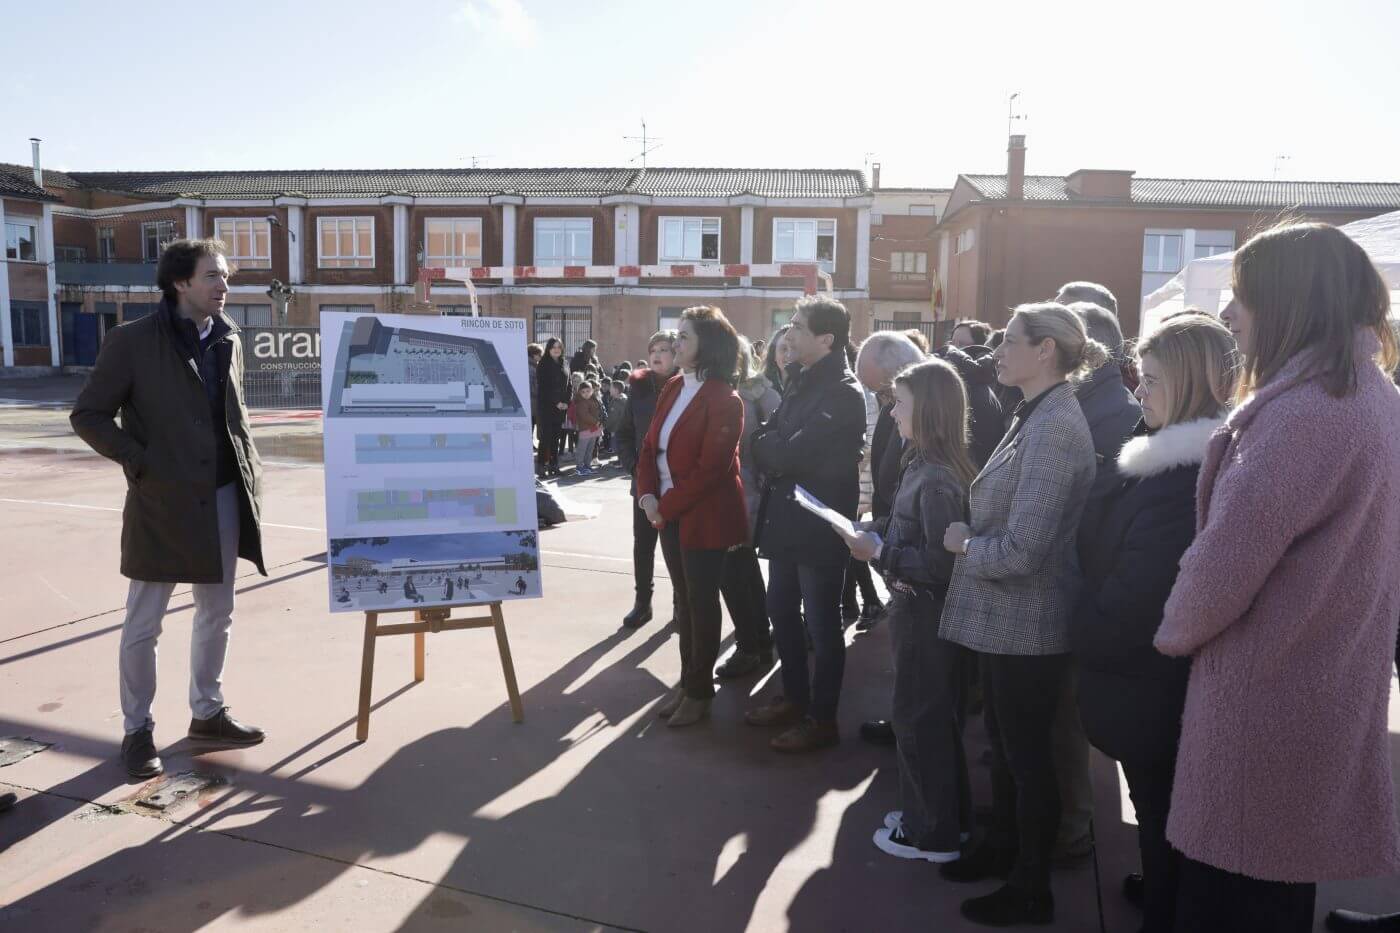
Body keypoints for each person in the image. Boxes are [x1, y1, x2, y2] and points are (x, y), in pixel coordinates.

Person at [1152, 223, 1400, 933]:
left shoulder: (1301, 414)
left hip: (1267, 690)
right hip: (1323, 675)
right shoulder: (1369, 395)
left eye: (1242, 297)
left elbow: (1224, 564)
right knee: (1278, 877)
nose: (1229, 315)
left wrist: (1173, 629)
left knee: (1234, 889)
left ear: (1289, 301)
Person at [71, 238, 268, 779]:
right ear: (181, 283)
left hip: (224, 495)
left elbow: (234, 414)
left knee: (217, 612)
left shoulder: (228, 337)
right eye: (213, 276)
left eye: (225, 276)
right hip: (161, 502)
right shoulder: (131, 341)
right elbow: (88, 415)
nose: (223, 286)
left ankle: (207, 712)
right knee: (144, 622)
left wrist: (248, 475)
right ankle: (138, 731)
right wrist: (141, 464)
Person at [936, 302, 1102, 926]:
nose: (997, 351)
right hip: (1005, 619)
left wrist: (964, 545)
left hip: (1028, 622)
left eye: (1010, 340)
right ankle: (1003, 849)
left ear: (1047, 352)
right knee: (1007, 749)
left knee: (1027, 758)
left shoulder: (1055, 425)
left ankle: (1031, 887)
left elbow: (1027, 548)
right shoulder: (1035, 411)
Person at [1070, 313, 1236, 933]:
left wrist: (1077, 618)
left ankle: (1165, 909)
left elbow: (1138, 602)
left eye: (1154, 379)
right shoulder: (1167, 453)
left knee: (1166, 813)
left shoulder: (1180, 477)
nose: (1140, 391)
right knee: (1161, 814)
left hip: (1151, 685)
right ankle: (1163, 891)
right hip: (1147, 684)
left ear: (1191, 383)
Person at [844, 358, 976, 863]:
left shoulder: (937, 476)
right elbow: (911, 528)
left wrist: (877, 551)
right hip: (919, 612)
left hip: (924, 615)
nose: (892, 412)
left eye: (900, 404)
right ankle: (943, 820)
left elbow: (939, 565)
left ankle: (932, 834)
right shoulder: (924, 464)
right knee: (928, 719)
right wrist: (873, 530)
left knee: (919, 720)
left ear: (930, 411)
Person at [746, 296, 867, 753]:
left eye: (797, 326)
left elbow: (792, 453)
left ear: (826, 339)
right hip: (784, 520)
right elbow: (764, 439)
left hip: (818, 524)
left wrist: (776, 450)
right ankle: (794, 699)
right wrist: (775, 449)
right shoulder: (800, 380)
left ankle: (821, 718)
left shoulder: (843, 390)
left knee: (821, 622)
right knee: (782, 612)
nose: (788, 333)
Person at [1046, 298, 1143, 865]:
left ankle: (1073, 824)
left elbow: (1090, 507)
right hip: (1078, 575)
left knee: (1068, 713)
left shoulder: (1108, 410)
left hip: (1082, 579)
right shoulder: (1095, 401)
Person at [636, 306, 747, 728]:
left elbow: (711, 471)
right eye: (677, 335)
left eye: (684, 337)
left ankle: (699, 691)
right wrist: (648, 495)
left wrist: (664, 506)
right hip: (666, 510)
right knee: (684, 602)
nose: (675, 343)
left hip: (704, 515)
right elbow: (649, 447)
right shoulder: (672, 387)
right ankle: (687, 682)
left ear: (708, 346)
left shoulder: (725, 399)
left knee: (700, 604)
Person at [852, 331, 927, 747]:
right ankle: (905, 720)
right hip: (891, 534)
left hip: (912, 557)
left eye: (886, 394)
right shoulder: (892, 411)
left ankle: (912, 731)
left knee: (918, 652)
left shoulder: (934, 465)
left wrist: (883, 541)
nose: (885, 406)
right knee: (903, 645)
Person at [715, 337, 781, 679]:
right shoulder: (761, 392)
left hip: (742, 493)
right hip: (747, 493)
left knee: (732, 571)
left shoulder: (747, 394)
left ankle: (749, 645)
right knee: (743, 569)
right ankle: (757, 639)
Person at [616, 331, 679, 628]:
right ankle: (643, 603)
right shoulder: (638, 390)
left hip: (676, 485)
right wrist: (634, 468)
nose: (657, 354)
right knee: (643, 545)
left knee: (677, 548)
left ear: (677, 354)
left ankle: (682, 604)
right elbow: (624, 434)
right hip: (642, 484)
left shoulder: (687, 389)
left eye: (665, 349)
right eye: (653, 348)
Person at [536, 338, 570, 477]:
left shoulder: (565, 363)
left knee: (557, 437)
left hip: (561, 408)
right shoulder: (543, 364)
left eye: (559, 347)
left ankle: (554, 465)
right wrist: (556, 402)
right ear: (548, 349)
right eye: (553, 347)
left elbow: (569, 385)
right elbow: (544, 388)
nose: (556, 349)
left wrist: (567, 401)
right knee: (546, 438)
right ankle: (541, 465)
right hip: (547, 407)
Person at [572, 381, 603, 476]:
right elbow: (585, 415)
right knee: (582, 449)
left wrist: (599, 422)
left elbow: (597, 412)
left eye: (588, 391)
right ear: (579, 393)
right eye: (583, 392)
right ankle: (579, 467)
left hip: (593, 428)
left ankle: (587, 465)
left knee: (590, 449)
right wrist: (596, 422)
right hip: (585, 429)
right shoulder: (581, 402)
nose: (586, 393)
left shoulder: (594, 400)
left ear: (592, 391)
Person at [763, 323, 795, 394]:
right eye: (783, 349)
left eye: (793, 348)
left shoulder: (810, 387)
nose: (789, 354)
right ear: (774, 355)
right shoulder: (761, 389)